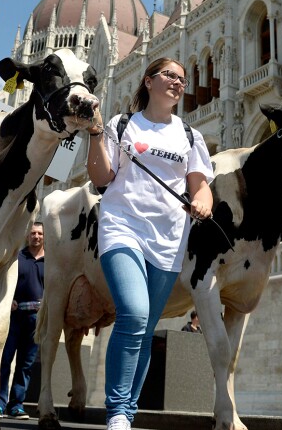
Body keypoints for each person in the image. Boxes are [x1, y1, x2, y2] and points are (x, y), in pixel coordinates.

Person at [86, 57, 214, 430]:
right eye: (170, 75)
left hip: (169, 238)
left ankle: (128, 409)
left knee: (145, 326)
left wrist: (202, 203)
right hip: (122, 226)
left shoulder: (190, 136)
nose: (178, 82)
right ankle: (117, 414)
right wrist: (96, 136)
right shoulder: (122, 125)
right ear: (149, 81)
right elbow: (102, 178)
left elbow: (200, 185)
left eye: (182, 78)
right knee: (134, 313)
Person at [0, 223, 46, 420]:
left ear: (45, 237)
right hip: (14, 316)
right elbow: (3, 279)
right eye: (33, 233)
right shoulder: (17, 256)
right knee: (5, 360)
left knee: (26, 364)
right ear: (27, 236)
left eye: (40, 233)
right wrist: (8, 299)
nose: (36, 236)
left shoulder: (52, 261)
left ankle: (16, 405)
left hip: (37, 318)